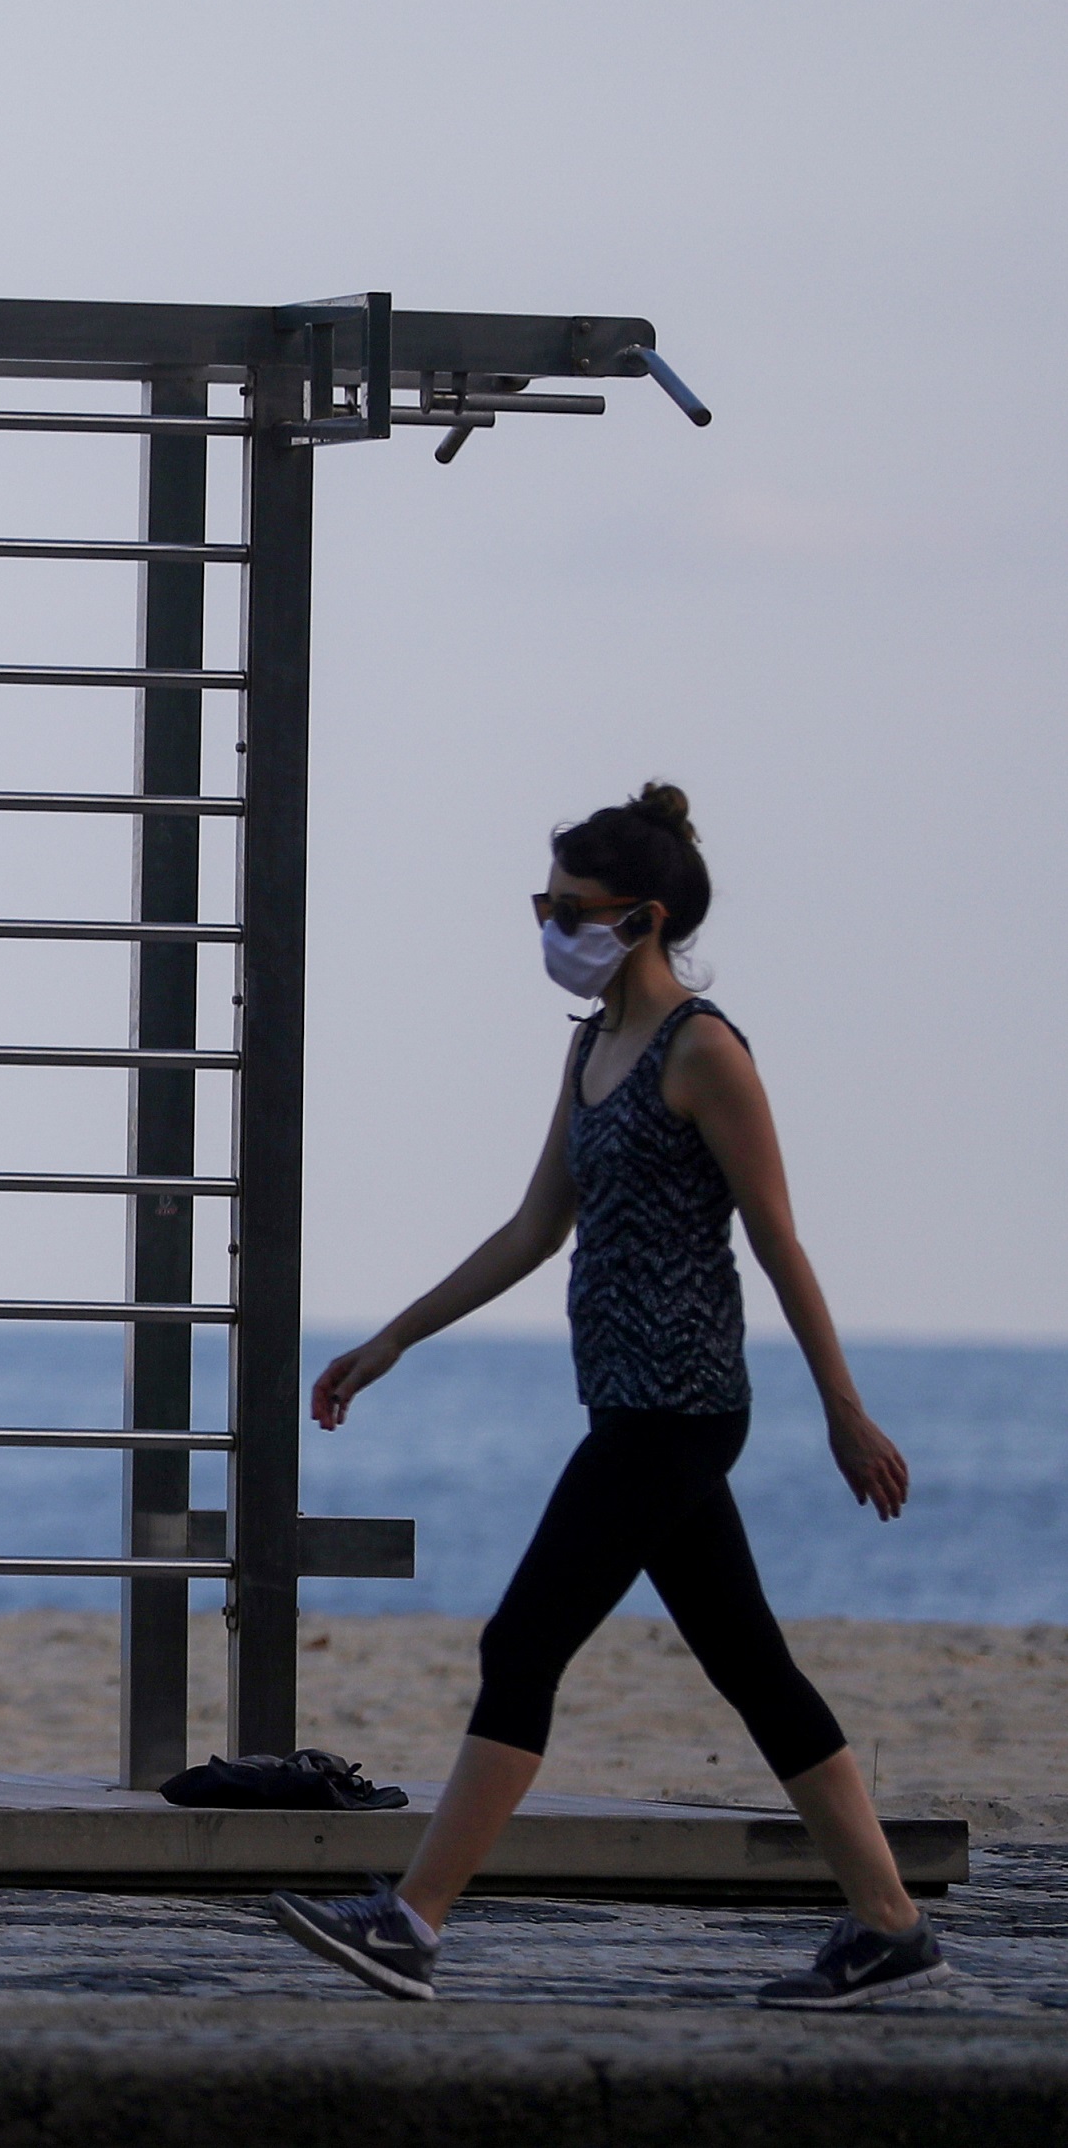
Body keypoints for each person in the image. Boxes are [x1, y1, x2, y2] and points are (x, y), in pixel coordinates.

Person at [267, 783, 948, 2009]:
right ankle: (889, 1928)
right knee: (751, 1663)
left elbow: (780, 1242)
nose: (548, 926)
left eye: (566, 907)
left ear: (640, 919)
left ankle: (412, 1922)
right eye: (542, 904)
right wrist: (389, 1343)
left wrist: (844, 1410)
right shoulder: (589, 1046)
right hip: (621, 1405)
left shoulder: (705, 1050)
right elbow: (536, 1227)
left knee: (519, 1641)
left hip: (679, 1411)